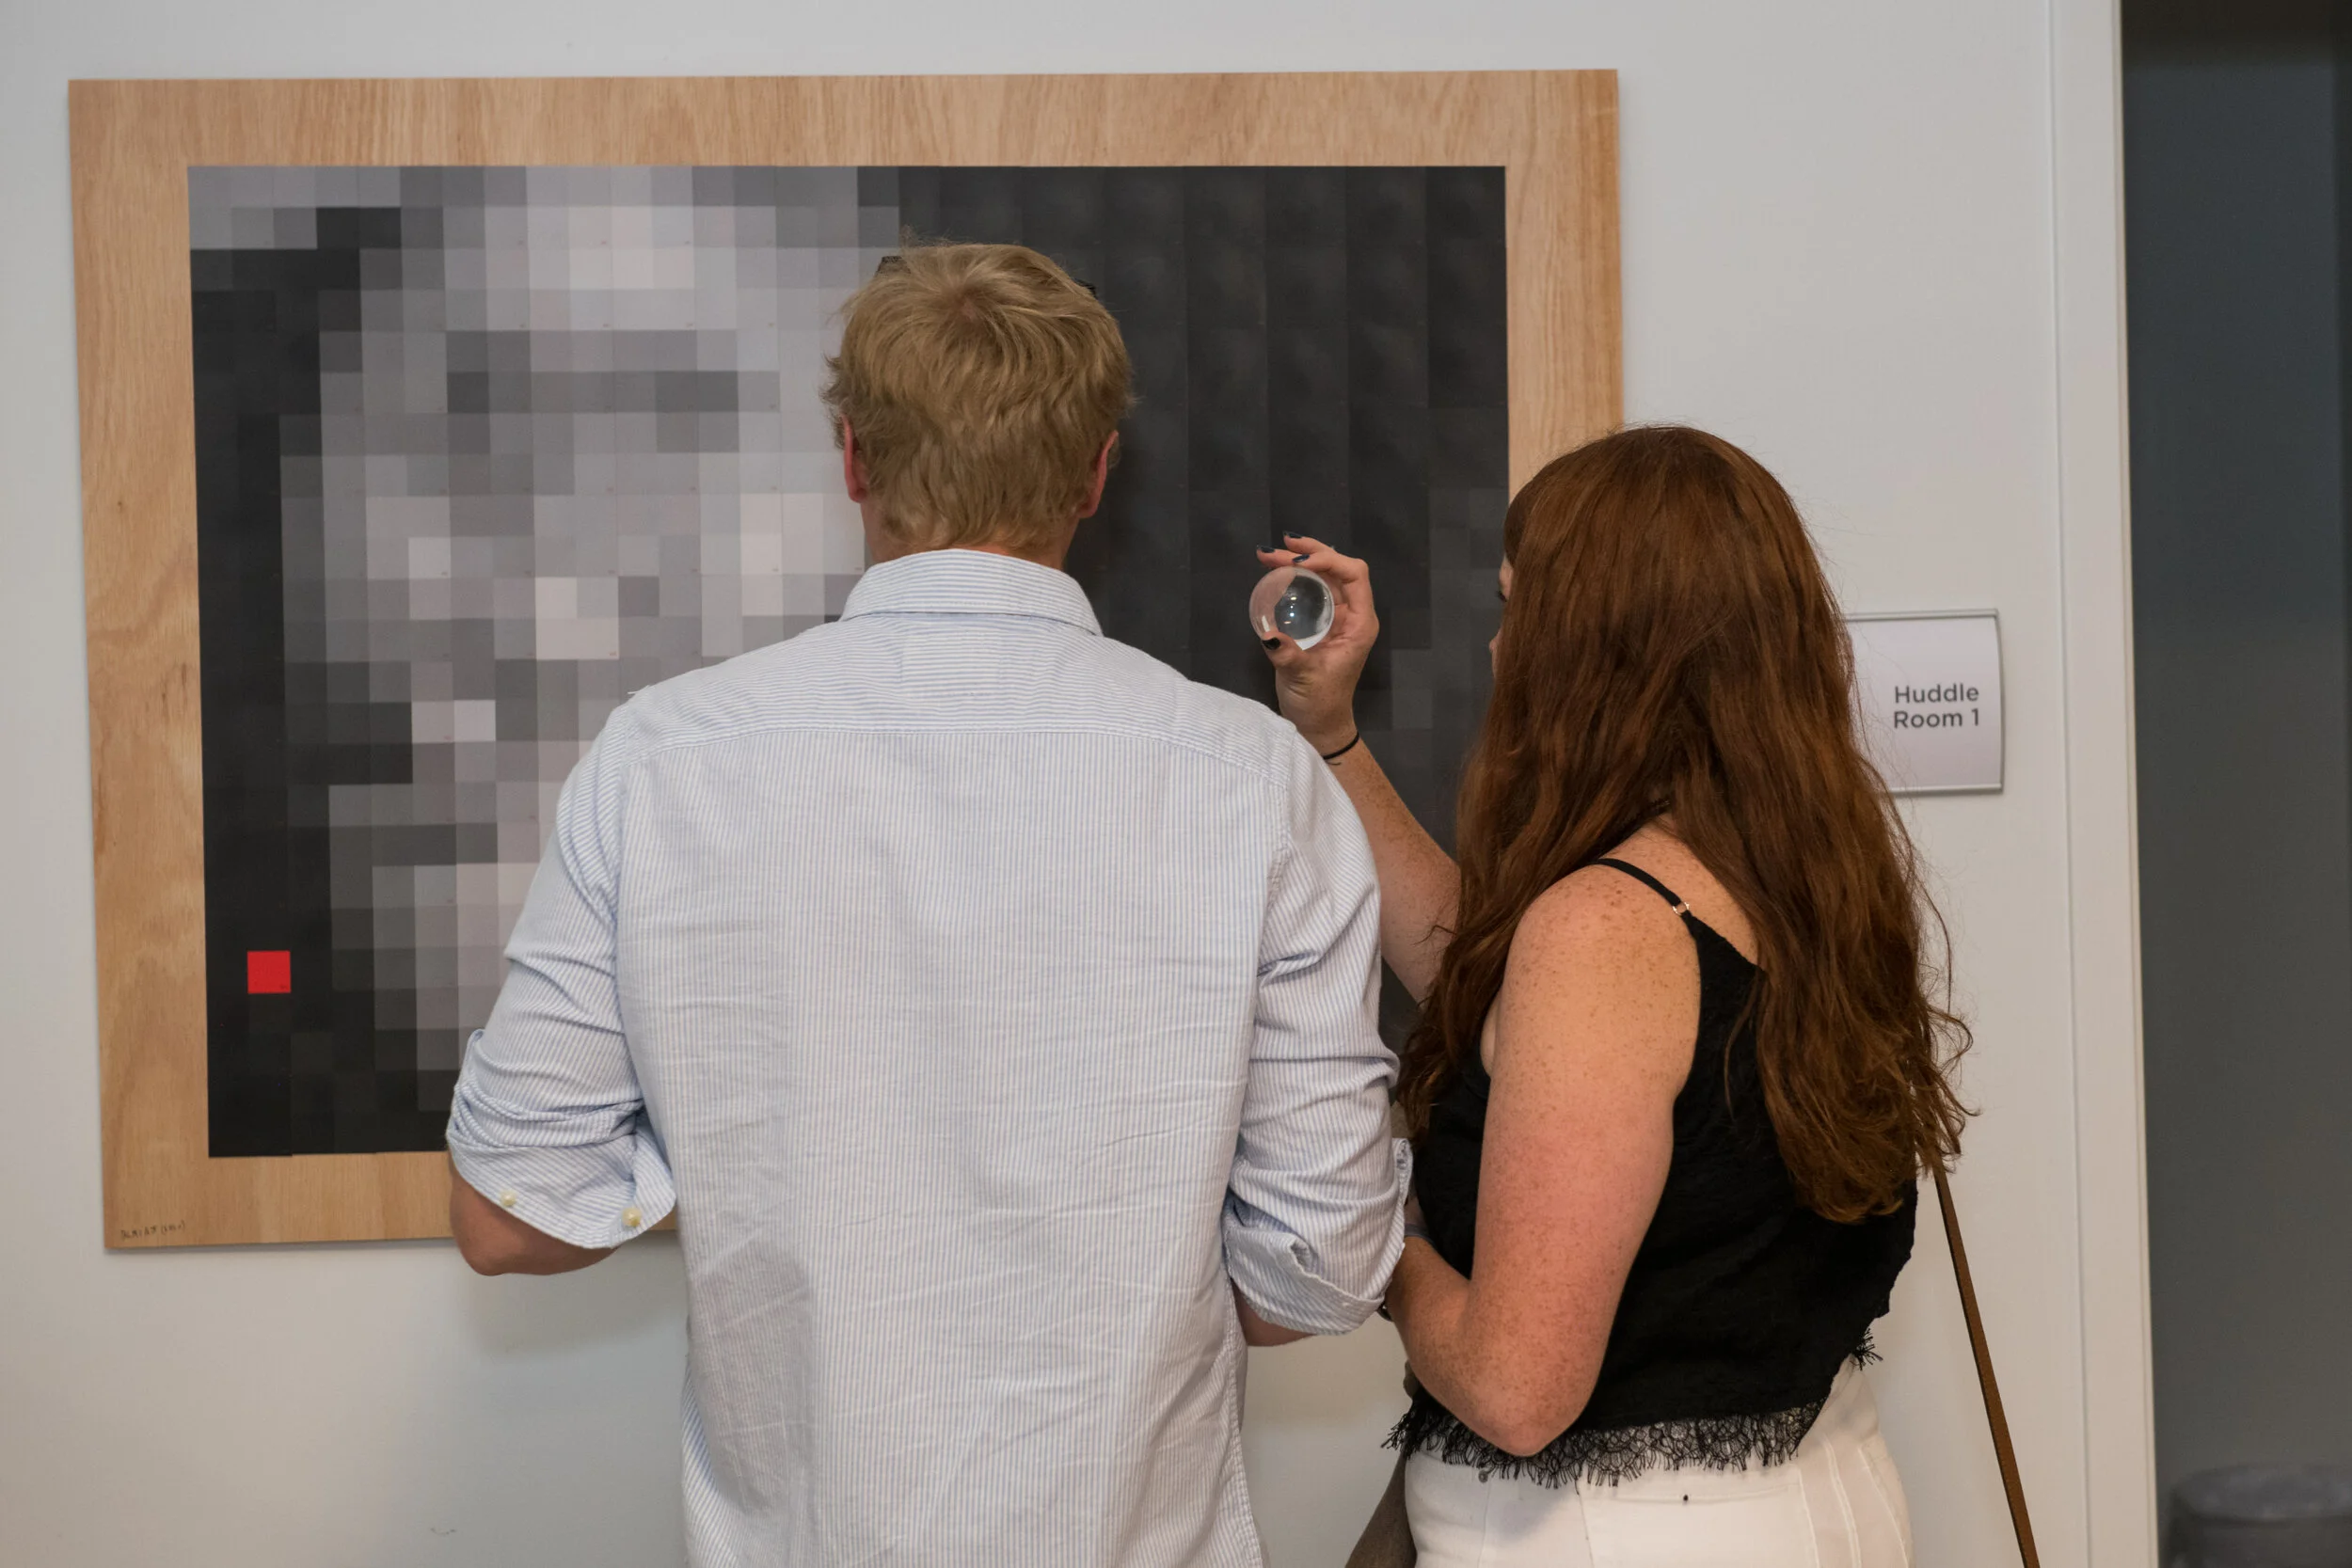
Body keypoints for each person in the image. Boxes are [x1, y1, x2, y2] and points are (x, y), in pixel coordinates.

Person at [445, 242, 1408, 1567]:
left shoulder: (663, 759)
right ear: (1094, 473)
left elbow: (508, 1216)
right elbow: (1320, 1268)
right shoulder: (1257, 779)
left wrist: (767, 1153)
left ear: (852, 456)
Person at [1258, 425, 1969, 1566]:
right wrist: (1329, 735)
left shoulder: (1603, 928)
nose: (1500, 649)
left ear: (1595, 648)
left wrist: (1377, 1236)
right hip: (1817, 1497)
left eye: (1517, 609)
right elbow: (1501, 1000)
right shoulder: (1804, 878)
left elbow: (1515, 1389)